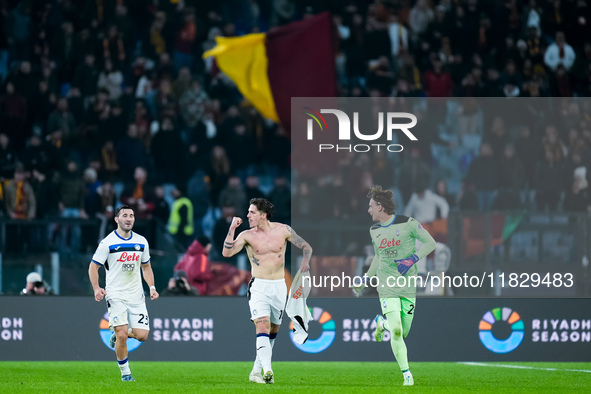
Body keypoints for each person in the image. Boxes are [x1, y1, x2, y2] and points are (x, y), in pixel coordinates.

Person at [222, 198, 312, 384]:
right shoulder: (247, 235)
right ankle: (268, 370)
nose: (248, 215)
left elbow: (306, 247)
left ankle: (256, 371)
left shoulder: (283, 230)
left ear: (263, 215)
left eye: (252, 212)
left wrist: (305, 261)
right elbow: (227, 253)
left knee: (273, 331)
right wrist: (232, 230)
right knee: (261, 326)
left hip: (279, 287)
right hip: (259, 287)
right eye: (248, 212)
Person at [353, 185, 436, 386]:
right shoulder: (374, 230)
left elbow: (430, 243)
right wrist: (365, 280)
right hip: (387, 285)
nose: (368, 210)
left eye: (371, 206)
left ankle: (382, 324)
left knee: (403, 332)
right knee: (397, 332)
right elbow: (377, 258)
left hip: (407, 286)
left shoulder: (408, 223)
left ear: (380, 207)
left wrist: (412, 259)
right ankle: (407, 375)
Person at [88, 205, 159, 382]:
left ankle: (118, 332)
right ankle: (126, 373)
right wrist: (96, 288)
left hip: (136, 295)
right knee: (122, 334)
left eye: (131, 216)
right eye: (125, 215)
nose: (129, 218)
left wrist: (151, 287)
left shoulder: (142, 241)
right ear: (117, 219)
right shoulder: (107, 243)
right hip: (115, 294)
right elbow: (93, 267)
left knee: (142, 335)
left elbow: (146, 267)